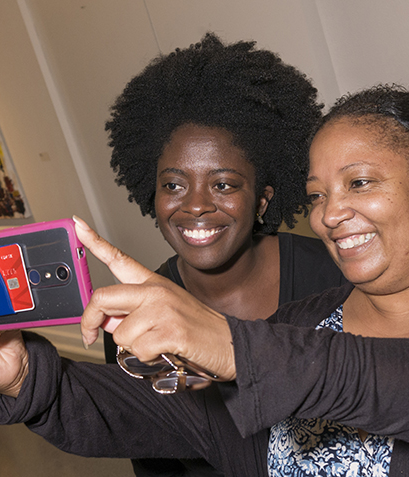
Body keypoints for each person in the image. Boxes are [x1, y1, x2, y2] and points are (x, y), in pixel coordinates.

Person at [0, 84, 409, 476]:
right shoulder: (300, 327)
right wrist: (24, 373)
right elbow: (158, 418)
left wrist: (236, 349)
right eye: (318, 193)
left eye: (359, 183)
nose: (331, 212)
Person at [102, 33, 344, 475]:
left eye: (224, 184)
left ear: (263, 201)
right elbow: (155, 457)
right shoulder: (132, 316)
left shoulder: (335, 276)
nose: (195, 205)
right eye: (173, 185)